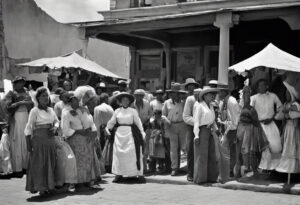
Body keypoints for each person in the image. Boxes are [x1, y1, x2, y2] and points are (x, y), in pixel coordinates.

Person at [24, 87, 59, 195]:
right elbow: (29, 128)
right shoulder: (34, 111)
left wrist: (55, 128)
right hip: (39, 141)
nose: (45, 98)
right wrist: (28, 144)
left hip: (50, 140)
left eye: (46, 95)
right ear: (38, 98)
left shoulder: (51, 110)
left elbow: (57, 121)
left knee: (51, 163)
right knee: (40, 164)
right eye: (43, 96)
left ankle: (50, 186)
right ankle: (41, 188)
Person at [61, 94, 101, 188]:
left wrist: (94, 132)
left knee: (87, 161)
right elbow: (65, 129)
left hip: (87, 139)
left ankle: (87, 180)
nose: (78, 101)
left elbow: (91, 122)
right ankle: (78, 182)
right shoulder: (66, 112)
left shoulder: (83, 109)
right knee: (78, 162)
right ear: (70, 101)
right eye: (75, 100)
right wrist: (78, 131)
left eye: (78, 99)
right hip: (75, 140)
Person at [105, 92, 146, 183]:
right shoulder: (117, 111)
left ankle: (138, 174)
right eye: (123, 100)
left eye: (127, 100)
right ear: (120, 101)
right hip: (119, 135)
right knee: (119, 154)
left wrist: (142, 133)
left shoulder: (133, 111)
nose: (125, 102)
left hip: (130, 134)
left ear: (129, 101)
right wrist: (108, 128)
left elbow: (138, 122)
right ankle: (118, 174)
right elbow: (111, 122)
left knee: (132, 153)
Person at [235, 86, 269, 177]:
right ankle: (239, 172)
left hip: (248, 131)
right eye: (245, 93)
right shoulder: (239, 106)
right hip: (240, 130)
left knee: (246, 151)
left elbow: (256, 123)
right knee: (239, 151)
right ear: (243, 96)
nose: (247, 96)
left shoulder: (252, 109)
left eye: (248, 93)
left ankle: (247, 172)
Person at [5, 76, 34, 176]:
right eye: (19, 82)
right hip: (16, 117)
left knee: (26, 140)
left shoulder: (27, 92)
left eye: (22, 82)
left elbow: (32, 104)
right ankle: (18, 167)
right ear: (15, 83)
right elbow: (8, 107)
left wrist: (29, 102)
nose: (21, 84)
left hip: (26, 116)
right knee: (17, 141)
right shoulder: (11, 93)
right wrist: (20, 102)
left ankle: (26, 166)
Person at [251, 79, 282, 171]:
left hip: (271, 124)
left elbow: (280, 108)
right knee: (263, 147)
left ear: (266, 86)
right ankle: (263, 168)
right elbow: (249, 110)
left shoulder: (273, 96)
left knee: (275, 146)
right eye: (259, 86)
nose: (260, 87)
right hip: (259, 125)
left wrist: (273, 118)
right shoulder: (254, 98)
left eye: (262, 85)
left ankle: (275, 168)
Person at [193, 86, 219, 184]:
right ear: (204, 96)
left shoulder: (211, 106)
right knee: (202, 155)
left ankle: (211, 177)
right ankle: (201, 178)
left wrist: (216, 129)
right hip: (202, 130)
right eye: (209, 94)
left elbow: (212, 120)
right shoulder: (200, 106)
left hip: (210, 130)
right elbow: (196, 121)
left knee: (211, 154)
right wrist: (196, 135)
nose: (212, 96)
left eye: (212, 94)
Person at [162, 83, 187, 176]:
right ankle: (174, 168)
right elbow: (163, 115)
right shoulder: (167, 103)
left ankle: (185, 167)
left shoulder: (184, 103)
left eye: (176, 93)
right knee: (173, 148)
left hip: (182, 125)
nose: (174, 95)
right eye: (172, 93)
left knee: (184, 147)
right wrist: (166, 120)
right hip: (171, 126)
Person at [276, 87, 300, 178]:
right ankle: (288, 171)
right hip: (287, 128)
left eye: (288, 93)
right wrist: (286, 114)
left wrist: (287, 113)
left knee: (292, 147)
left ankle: (294, 170)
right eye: (286, 94)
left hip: (293, 129)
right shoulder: (285, 104)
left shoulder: (295, 104)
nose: (287, 95)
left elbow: (294, 112)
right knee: (287, 147)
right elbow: (281, 115)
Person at [218, 84, 241, 176]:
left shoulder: (231, 101)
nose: (219, 93)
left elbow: (234, 120)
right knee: (230, 151)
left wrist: (227, 132)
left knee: (225, 150)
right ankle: (229, 171)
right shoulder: (225, 101)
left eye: (220, 91)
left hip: (232, 129)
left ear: (225, 92)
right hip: (229, 128)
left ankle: (228, 171)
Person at [182, 78, 200, 181]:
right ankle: (190, 173)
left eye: (192, 85)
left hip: (203, 128)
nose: (191, 87)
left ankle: (200, 173)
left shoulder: (203, 98)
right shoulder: (189, 99)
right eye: (189, 85)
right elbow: (186, 117)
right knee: (190, 150)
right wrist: (197, 123)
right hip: (191, 127)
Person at [94, 93, 114, 172]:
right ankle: (108, 165)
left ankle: (101, 167)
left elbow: (97, 122)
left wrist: (97, 134)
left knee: (101, 148)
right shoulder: (110, 107)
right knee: (108, 147)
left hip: (102, 130)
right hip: (110, 129)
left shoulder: (97, 108)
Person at [133, 89, 152, 172]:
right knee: (135, 147)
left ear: (143, 96)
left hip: (145, 126)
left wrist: (148, 120)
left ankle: (144, 167)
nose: (139, 97)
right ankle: (135, 167)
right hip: (134, 128)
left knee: (145, 147)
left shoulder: (147, 103)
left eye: (141, 95)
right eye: (137, 95)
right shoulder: (131, 104)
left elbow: (151, 113)